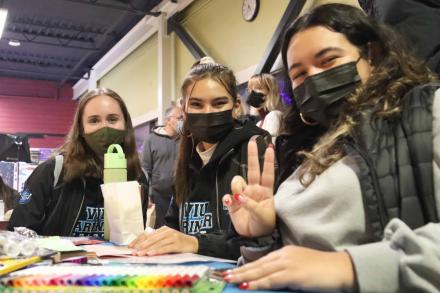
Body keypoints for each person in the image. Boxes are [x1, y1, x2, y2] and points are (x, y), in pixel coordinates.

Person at [221, 4, 440, 292]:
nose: (313, 79)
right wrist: (260, 236)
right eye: (299, 74)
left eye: (328, 61)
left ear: (372, 55)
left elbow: (320, 265)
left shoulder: (425, 112)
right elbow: (286, 267)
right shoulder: (305, 149)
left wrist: (350, 266)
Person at [129, 60, 271, 260]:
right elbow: (173, 226)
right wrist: (156, 239)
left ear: (236, 105)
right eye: (196, 104)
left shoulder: (255, 148)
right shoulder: (187, 159)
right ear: (184, 110)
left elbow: (263, 242)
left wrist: (194, 242)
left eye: (219, 103)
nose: (208, 112)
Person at [8, 88, 149, 237]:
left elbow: (135, 238)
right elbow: (17, 232)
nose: (104, 128)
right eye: (94, 120)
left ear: (125, 124)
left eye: (112, 119)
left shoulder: (137, 177)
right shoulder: (52, 172)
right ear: (81, 129)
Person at [141, 106, 183, 228]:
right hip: (159, 195)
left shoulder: (184, 140)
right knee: (161, 228)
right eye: (180, 118)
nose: (182, 121)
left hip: (180, 194)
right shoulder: (151, 139)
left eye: (183, 118)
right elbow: (145, 169)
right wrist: (147, 194)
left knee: (178, 230)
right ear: (168, 120)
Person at [247, 73, 282, 143]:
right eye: (251, 89)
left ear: (270, 92)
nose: (253, 92)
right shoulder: (259, 123)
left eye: (258, 88)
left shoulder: (273, 115)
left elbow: (270, 145)